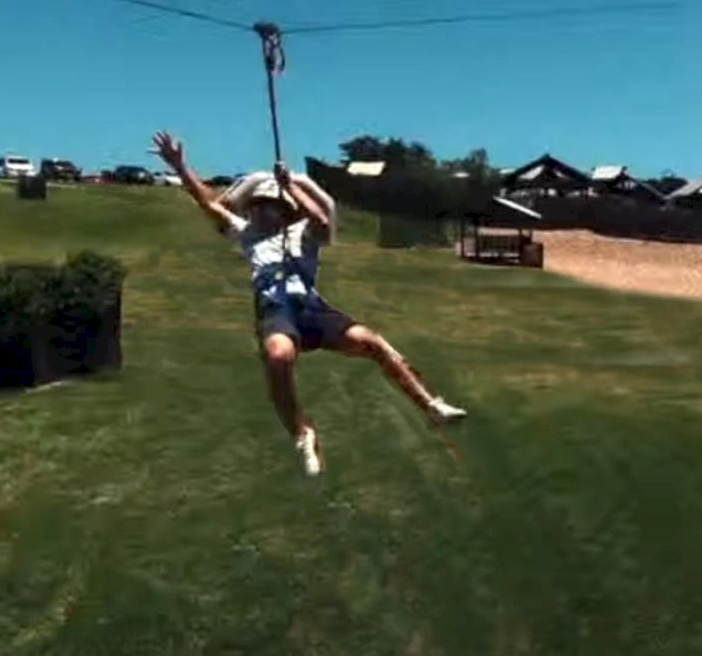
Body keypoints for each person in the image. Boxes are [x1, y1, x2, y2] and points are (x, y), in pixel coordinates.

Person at [150, 131, 467, 476]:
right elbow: (208, 203)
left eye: (267, 205)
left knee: (372, 343)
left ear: (282, 210)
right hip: (276, 309)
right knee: (278, 356)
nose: (258, 211)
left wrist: (292, 185)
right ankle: (303, 433)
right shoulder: (247, 234)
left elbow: (321, 220)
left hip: (312, 308)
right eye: (255, 206)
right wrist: (181, 166)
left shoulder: (304, 233)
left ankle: (430, 404)